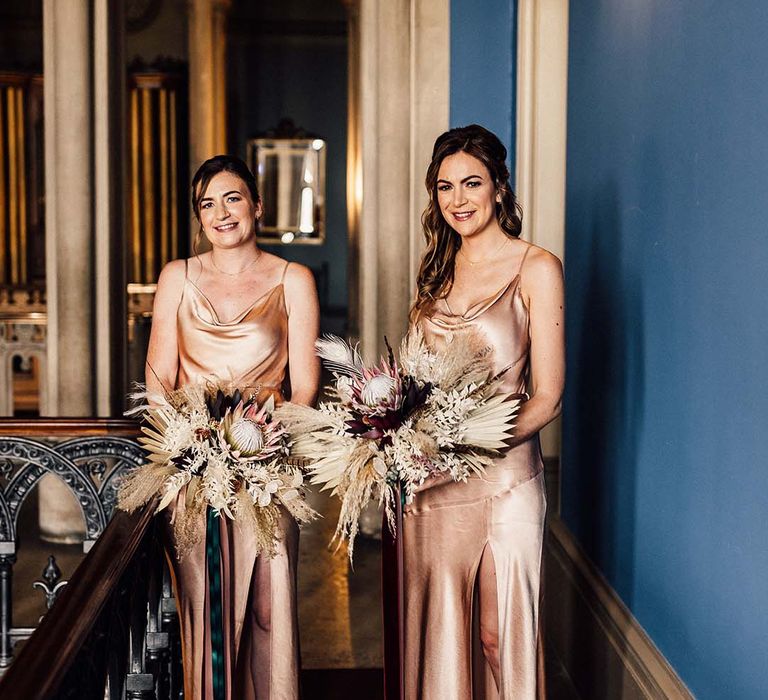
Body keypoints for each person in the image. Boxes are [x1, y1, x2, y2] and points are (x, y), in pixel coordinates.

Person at [146, 155, 320, 699]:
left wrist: (263, 441)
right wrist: (189, 442)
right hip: (194, 468)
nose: (221, 213)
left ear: (257, 206)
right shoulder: (177, 276)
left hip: (268, 462)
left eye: (233, 198)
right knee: (207, 616)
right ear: (198, 219)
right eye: (207, 204)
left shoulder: (293, 279)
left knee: (268, 607)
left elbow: (306, 385)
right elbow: (158, 379)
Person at [404, 125, 565, 699]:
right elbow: (415, 389)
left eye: (472, 183)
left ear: (500, 186)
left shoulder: (536, 267)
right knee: (448, 632)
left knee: (500, 635)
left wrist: (470, 445)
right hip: (433, 485)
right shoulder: (435, 276)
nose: (458, 200)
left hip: (505, 480)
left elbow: (547, 395)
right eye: (445, 187)